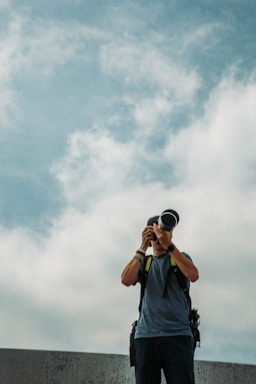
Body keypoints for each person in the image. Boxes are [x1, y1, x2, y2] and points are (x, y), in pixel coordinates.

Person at [121, 210, 199, 384]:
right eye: (157, 232)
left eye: (166, 232)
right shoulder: (145, 262)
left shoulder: (181, 257)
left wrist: (170, 246)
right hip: (146, 337)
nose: (161, 236)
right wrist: (142, 247)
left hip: (178, 335)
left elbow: (193, 275)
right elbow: (126, 279)